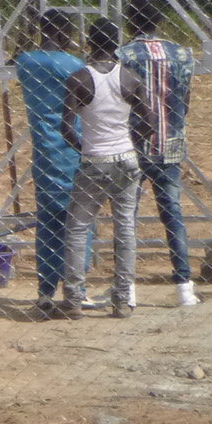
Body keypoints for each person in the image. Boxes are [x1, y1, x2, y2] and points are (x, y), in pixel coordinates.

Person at [118, 0, 200, 308]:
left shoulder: (123, 55)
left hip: (133, 142)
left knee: (128, 216)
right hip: (172, 140)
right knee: (173, 214)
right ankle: (184, 286)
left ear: (130, 21)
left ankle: (127, 288)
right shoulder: (182, 54)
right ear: (158, 22)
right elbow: (187, 97)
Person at [60, 19, 143, 316]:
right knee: (125, 228)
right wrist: (130, 141)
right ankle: (122, 300)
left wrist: (84, 148)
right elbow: (147, 122)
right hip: (126, 158)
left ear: (90, 42)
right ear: (116, 43)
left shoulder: (80, 78)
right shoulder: (130, 78)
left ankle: (73, 298)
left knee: (79, 228)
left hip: (94, 160)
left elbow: (66, 126)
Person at [14, 11, 86, 310]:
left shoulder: (25, 62)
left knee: (47, 219)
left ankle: (46, 287)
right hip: (74, 147)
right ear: (65, 31)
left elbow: (18, 57)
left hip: (44, 148)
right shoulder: (74, 65)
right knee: (79, 221)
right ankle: (75, 285)